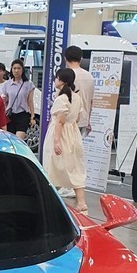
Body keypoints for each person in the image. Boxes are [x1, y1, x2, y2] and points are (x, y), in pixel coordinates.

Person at [42, 67, 88, 214]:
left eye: (57, 78)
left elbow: (60, 122)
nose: (55, 80)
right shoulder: (77, 98)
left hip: (60, 134)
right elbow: (78, 119)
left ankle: (48, 200)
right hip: (73, 134)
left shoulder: (61, 99)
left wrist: (56, 141)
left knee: (52, 166)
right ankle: (81, 202)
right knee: (75, 167)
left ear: (62, 81)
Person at [2, 59, 36, 140]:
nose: (16, 71)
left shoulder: (28, 84)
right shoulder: (7, 84)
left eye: (19, 68)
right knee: (10, 140)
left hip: (23, 114)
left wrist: (32, 116)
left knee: (18, 140)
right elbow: (5, 101)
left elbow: (30, 101)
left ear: (22, 70)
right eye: (14, 68)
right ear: (11, 70)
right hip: (10, 115)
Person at [64, 46, 94, 135]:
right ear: (81, 59)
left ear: (65, 58)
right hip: (83, 119)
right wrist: (88, 120)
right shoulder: (89, 76)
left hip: (67, 120)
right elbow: (91, 101)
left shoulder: (65, 75)